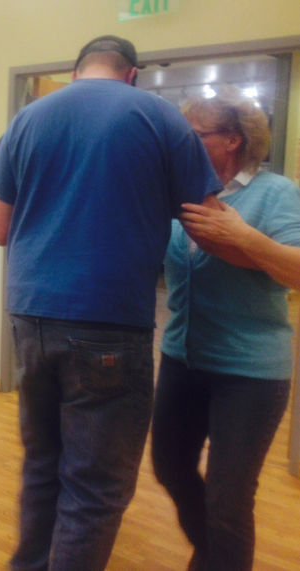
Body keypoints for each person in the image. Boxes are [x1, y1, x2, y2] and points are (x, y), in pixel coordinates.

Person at [0, 35, 222, 570]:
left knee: (43, 465)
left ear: (76, 72)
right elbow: (209, 226)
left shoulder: (28, 118)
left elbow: (0, 230)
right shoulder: (159, 117)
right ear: (131, 73)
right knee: (95, 489)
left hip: (29, 316)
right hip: (108, 321)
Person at [151, 91, 300, 571]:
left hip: (251, 371)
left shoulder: (277, 193)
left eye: (195, 135)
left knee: (229, 497)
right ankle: (215, 555)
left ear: (232, 139)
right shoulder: (182, 193)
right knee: (170, 466)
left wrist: (245, 237)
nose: (183, 145)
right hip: (182, 359)